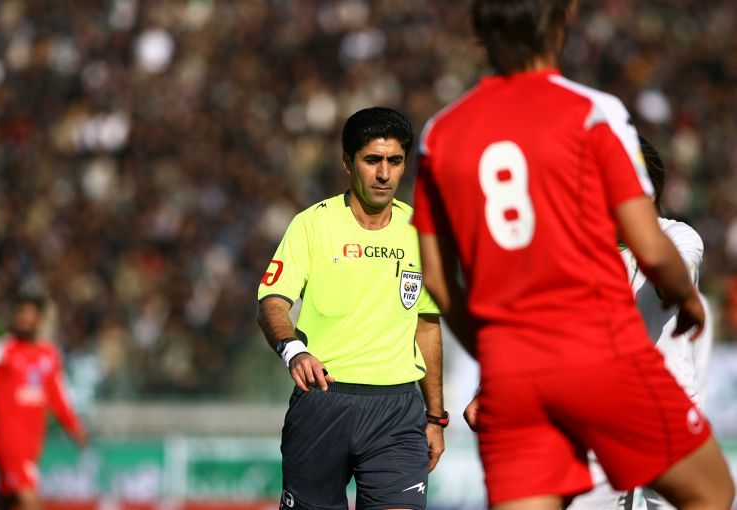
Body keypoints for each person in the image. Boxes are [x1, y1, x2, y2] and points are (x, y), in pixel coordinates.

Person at [411, 1, 735, 509]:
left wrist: (491, 352)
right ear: (560, 23)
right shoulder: (592, 110)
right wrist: (687, 298)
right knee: (711, 492)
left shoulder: (440, 133)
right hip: (598, 353)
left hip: (514, 371)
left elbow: (436, 277)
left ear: (479, 35)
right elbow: (650, 245)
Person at [257, 107, 446, 510]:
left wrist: (435, 417)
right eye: (372, 160)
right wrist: (293, 351)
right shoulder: (311, 225)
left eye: (395, 161)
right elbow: (271, 302)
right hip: (323, 402)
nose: (384, 174)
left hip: (397, 412)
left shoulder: (421, 233)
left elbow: (427, 326)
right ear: (348, 162)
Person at [0, 295, 88, 510]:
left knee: (8, 502)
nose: (25, 319)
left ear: (39, 319)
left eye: (30, 314)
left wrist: (74, 427)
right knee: (30, 500)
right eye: (21, 313)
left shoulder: (49, 355)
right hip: (8, 442)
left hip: (32, 444)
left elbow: (58, 397)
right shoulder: (2, 351)